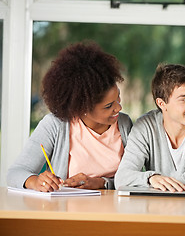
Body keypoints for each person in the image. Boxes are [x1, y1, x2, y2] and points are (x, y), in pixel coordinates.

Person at [7, 41, 132, 192]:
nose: (119, 107)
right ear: (83, 107)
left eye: (118, 97)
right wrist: (35, 181)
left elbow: (132, 178)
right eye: (108, 106)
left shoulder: (124, 124)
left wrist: (101, 183)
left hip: (114, 212)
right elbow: (15, 173)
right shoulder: (55, 125)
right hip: (66, 210)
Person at [114, 63, 185, 192]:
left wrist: (155, 182)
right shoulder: (145, 126)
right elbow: (121, 178)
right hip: (157, 208)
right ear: (162, 103)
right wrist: (151, 179)